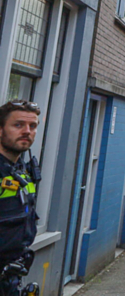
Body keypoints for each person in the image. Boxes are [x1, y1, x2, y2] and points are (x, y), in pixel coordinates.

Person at [0, 101, 41, 277]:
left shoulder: (22, 170)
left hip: (12, 274)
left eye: (32, 126)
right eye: (18, 125)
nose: (27, 131)